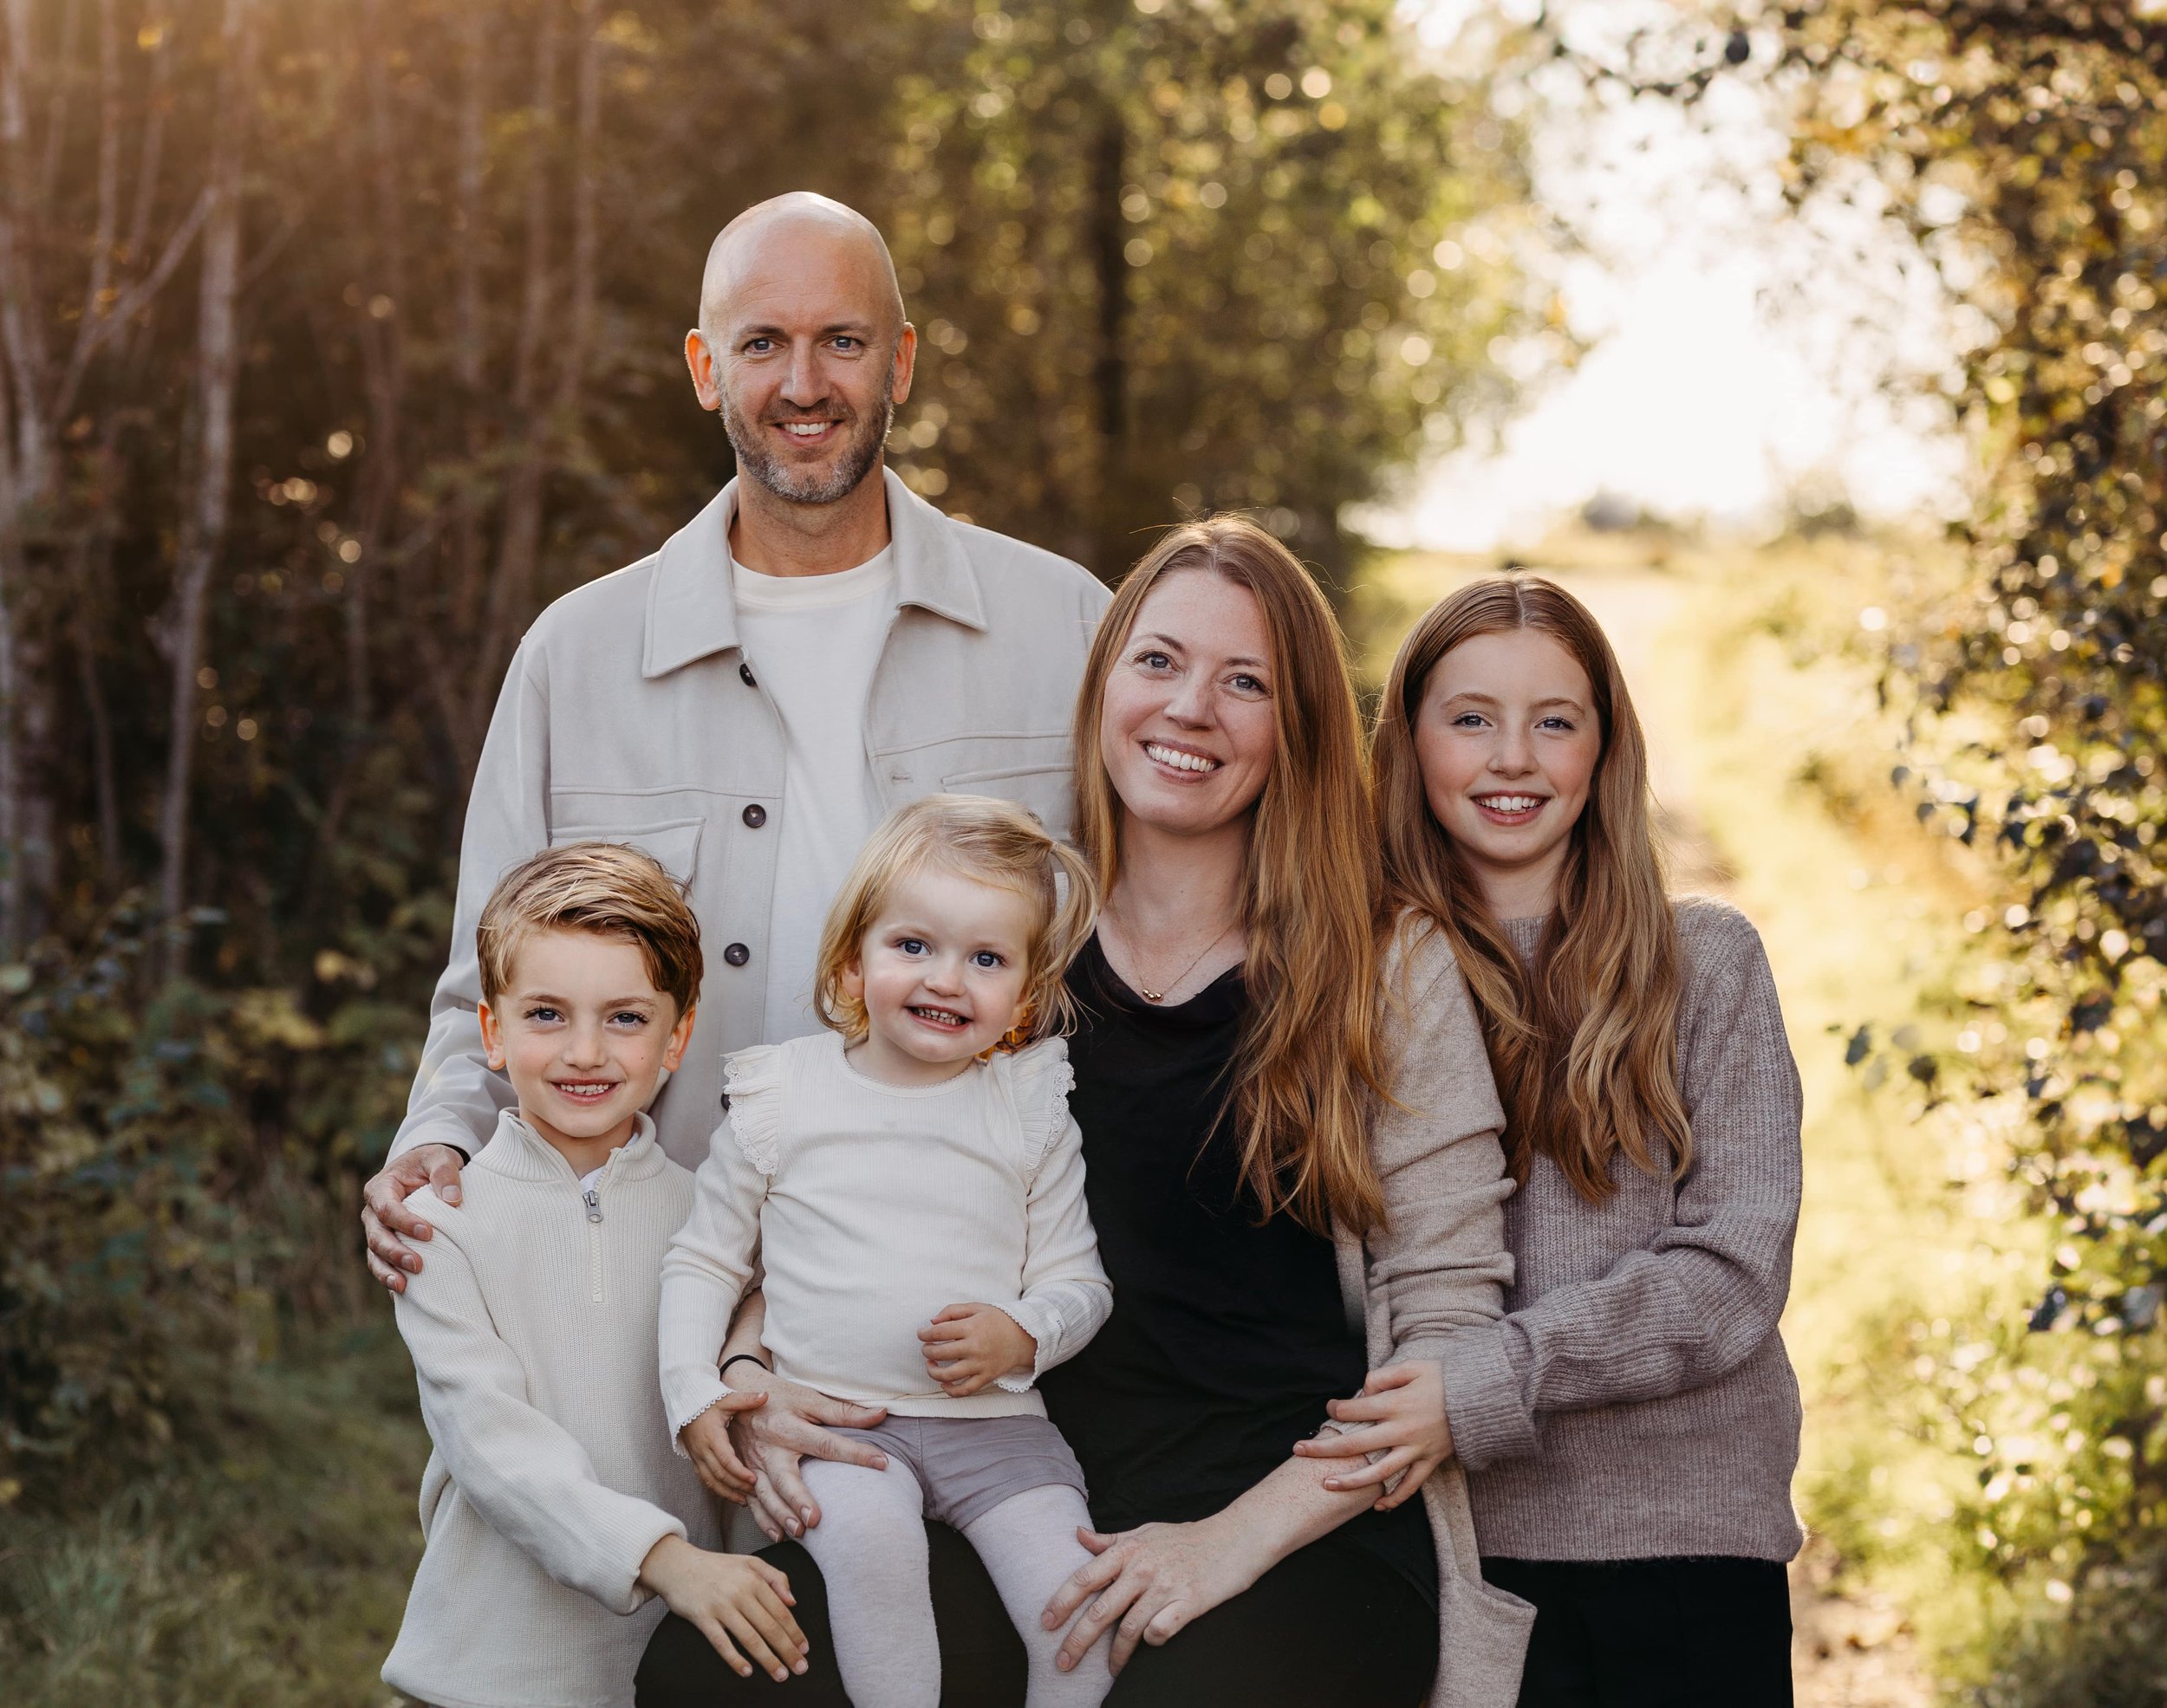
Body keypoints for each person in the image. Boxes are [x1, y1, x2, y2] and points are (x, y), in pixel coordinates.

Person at [641, 517, 1533, 1707]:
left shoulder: (1380, 963)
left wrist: (1226, 1543)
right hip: (1006, 1480)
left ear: (1301, 726)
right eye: (1157, 661)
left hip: (1292, 1528)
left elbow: (1448, 1335)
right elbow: (844, 1169)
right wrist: (751, 1362)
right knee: (714, 1675)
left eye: (1247, 682)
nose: (1190, 708)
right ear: (1104, 683)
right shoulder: (1006, 942)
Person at [360, 192, 1110, 1315]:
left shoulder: (1070, 630)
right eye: (763, 344)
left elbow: (1159, 954)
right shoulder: (577, 657)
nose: (803, 384)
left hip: (972, 1308)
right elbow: (488, 983)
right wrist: (438, 1137)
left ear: (901, 362)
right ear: (707, 369)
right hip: (649, 1293)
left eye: (842, 340)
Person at [1369, 575, 1805, 1706]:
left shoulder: (1704, 963)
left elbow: (1731, 1273)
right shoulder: (1355, 978)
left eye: (1554, 720)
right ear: (1409, 740)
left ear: (1603, 747)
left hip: (1684, 1547)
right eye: (1471, 717)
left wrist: (1488, 1377)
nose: (1512, 757)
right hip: (1447, 1544)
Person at [657, 796, 1114, 1706]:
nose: (947, 979)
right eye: (913, 945)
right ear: (852, 961)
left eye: (986, 958)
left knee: (1078, 1611)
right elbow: (705, 1260)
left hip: (999, 1432)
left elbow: (1080, 1282)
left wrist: (1023, 1333)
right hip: (840, 1427)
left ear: (1024, 995)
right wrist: (693, 1389)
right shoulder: (786, 1093)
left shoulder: (1025, 1110)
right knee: (875, 1561)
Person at [381, 842, 807, 1708]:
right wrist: (666, 1559)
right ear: (492, 1032)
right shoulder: (442, 1225)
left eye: (625, 1018)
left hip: (674, 1668)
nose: (585, 1051)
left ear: (676, 1037)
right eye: (546, 1014)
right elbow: (491, 1442)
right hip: (490, 1671)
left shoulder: (715, 1221)